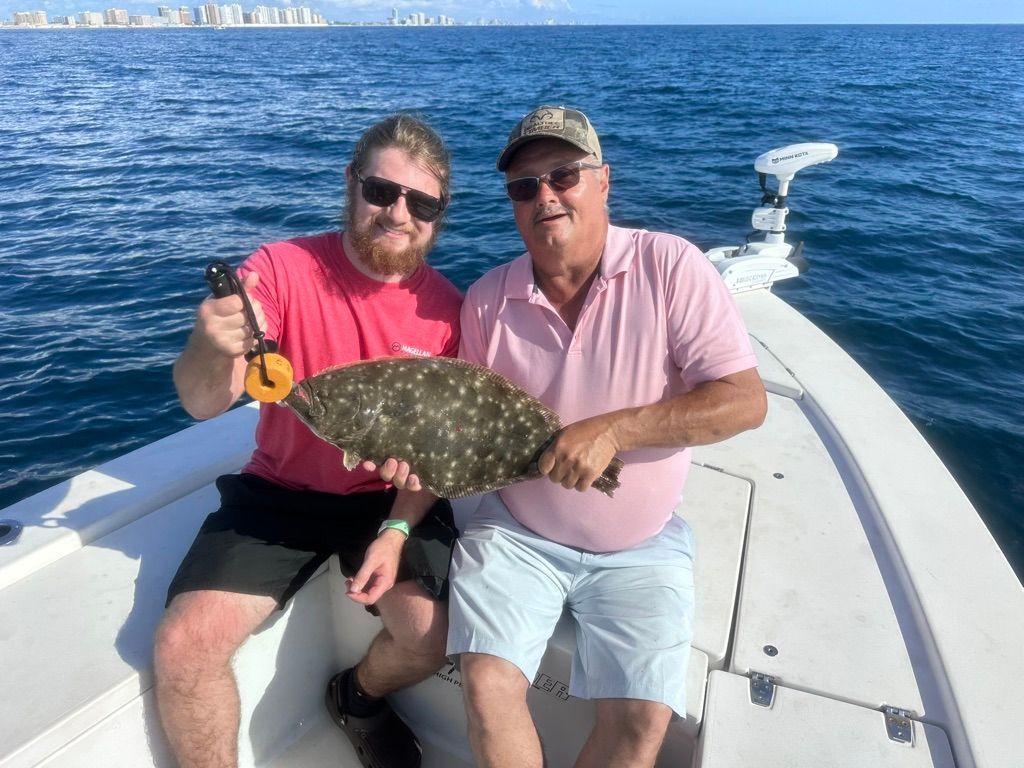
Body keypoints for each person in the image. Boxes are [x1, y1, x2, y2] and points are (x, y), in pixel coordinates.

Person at [421, 105, 766, 767]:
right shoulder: (488, 299)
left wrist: (615, 429)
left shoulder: (672, 267)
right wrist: (414, 464)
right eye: (524, 187)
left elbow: (743, 402)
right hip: (517, 531)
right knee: (488, 685)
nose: (544, 195)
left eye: (562, 176)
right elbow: (465, 427)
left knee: (643, 721)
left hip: (639, 543)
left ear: (603, 181)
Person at [154, 113, 462, 768]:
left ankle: (357, 697)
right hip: (279, 492)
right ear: (352, 185)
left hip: (385, 499)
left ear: (439, 214)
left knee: (433, 638)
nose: (397, 212)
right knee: (183, 648)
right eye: (381, 191)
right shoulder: (281, 269)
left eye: (421, 201)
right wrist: (213, 343)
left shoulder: (449, 315)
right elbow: (203, 401)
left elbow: (435, 456)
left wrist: (398, 530)